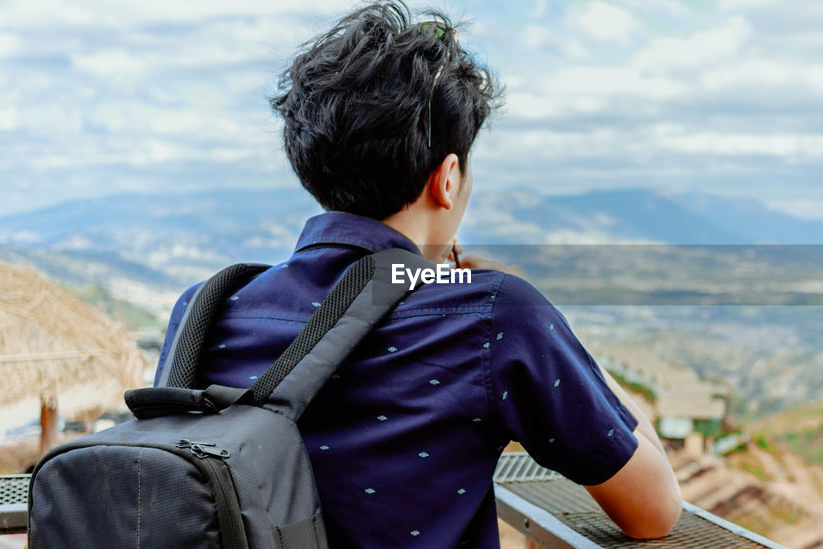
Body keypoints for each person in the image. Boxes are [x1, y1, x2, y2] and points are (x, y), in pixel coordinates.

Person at [153, 2, 681, 547]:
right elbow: (656, 509)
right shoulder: (492, 315)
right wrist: (550, 326)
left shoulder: (206, 307)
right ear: (448, 179)